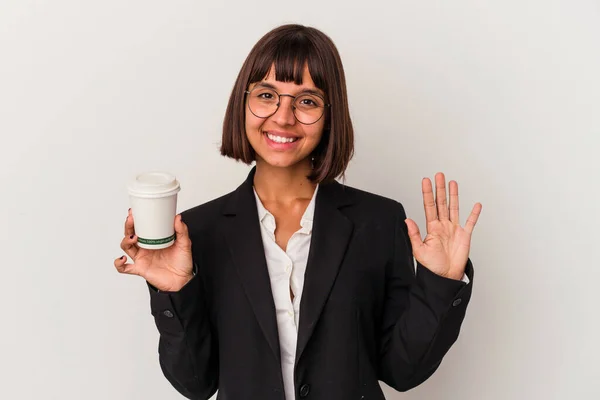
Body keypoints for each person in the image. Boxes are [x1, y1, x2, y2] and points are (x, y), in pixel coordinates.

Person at [114, 24, 482, 400]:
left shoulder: (379, 221)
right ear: (243, 103)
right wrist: (173, 290)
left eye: (307, 101)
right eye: (266, 94)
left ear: (329, 115)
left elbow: (403, 370)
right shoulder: (198, 232)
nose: (283, 117)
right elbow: (196, 383)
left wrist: (441, 280)